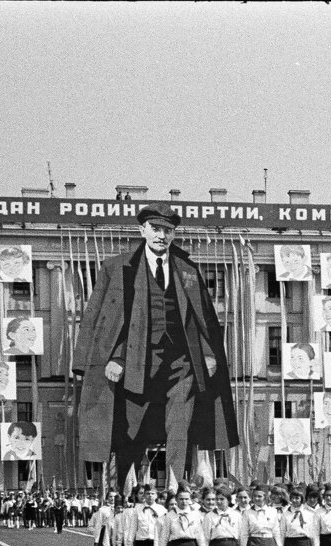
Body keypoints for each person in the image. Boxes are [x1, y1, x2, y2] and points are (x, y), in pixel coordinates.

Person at [73, 202, 238, 493]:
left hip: (182, 362)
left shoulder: (187, 269)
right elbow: (95, 316)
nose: (162, 235)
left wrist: (209, 355)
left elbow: (204, 318)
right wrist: (94, 362)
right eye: (156, 228)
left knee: (180, 425)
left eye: (168, 230)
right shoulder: (117, 267)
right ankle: (127, 490)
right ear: (143, 230)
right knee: (131, 429)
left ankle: (177, 488)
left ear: (174, 234)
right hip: (135, 361)